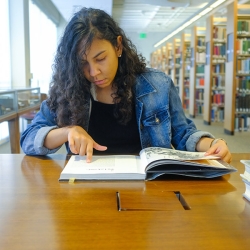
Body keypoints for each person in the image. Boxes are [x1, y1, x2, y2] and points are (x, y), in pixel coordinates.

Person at [20, 7, 232, 163]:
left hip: (148, 187)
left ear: (118, 46)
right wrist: (67, 131)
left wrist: (213, 145)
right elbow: (29, 139)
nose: (94, 72)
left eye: (100, 58)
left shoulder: (157, 85)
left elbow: (183, 134)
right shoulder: (69, 89)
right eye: (83, 63)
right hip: (86, 188)